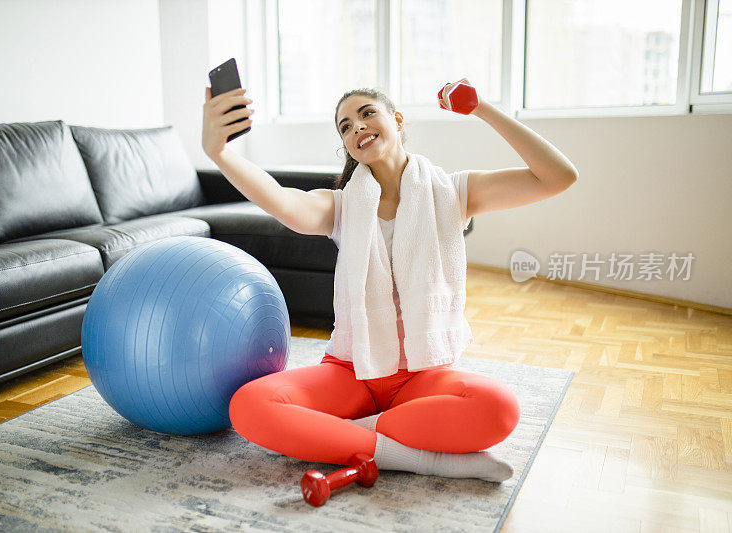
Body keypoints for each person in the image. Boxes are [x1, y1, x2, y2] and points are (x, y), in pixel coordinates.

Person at [201, 79, 578, 482]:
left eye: (366, 114)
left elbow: (558, 177)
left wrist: (481, 108)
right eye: (345, 127)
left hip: (422, 373)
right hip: (351, 370)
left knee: (499, 407)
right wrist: (218, 152)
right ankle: (422, 459)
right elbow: (284, 201)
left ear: (396, 120)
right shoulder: (342, 206)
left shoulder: (453, 191)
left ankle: (345, 437)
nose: (357, 127)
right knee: (249, 406)